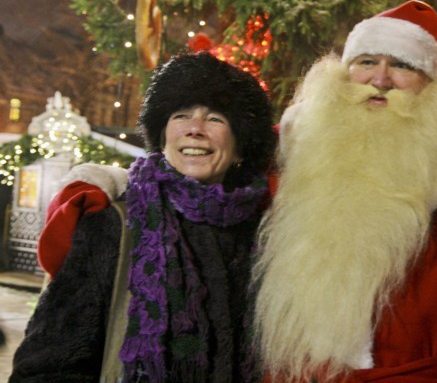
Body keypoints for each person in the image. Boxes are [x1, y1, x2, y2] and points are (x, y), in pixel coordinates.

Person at [38, 0, 437, 382]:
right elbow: (198, 171)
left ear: (432, 82)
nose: (380, 79)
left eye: (402, 65)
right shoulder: (295, 144)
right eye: (366, 62)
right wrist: (111, 182)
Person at [10, 52, 276, 383]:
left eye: (216, 119)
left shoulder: (263, 238)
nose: (195, 129)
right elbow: (47, 365)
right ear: (161, 135)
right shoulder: (113, 225)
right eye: (181, 115)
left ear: (240, 148)